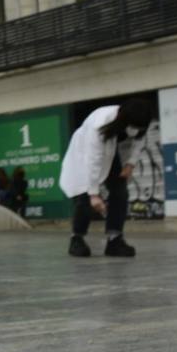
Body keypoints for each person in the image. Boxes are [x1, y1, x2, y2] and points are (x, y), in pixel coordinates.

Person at [59, 99, 152, 258]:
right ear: (125, 121)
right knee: (85, 196)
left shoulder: (137, 122)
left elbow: (139, 140)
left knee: (120, 192)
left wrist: (130, 164)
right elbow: (93, 160)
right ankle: (77, 238)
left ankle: (114, 239)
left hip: (109, 152)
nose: (136, 131)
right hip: (86, 154)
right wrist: (94, 194)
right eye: (134, 127)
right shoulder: (100, 124)